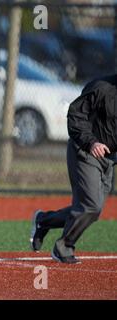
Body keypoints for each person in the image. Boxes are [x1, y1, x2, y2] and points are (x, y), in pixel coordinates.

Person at [30, 74, 117, 264]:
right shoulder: (101, 87)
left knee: (91, 210)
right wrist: (91, 142)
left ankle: (44, 220)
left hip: (109, 159)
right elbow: (76, 115)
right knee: (91, 206)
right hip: (86, 151)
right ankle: (63, 247)